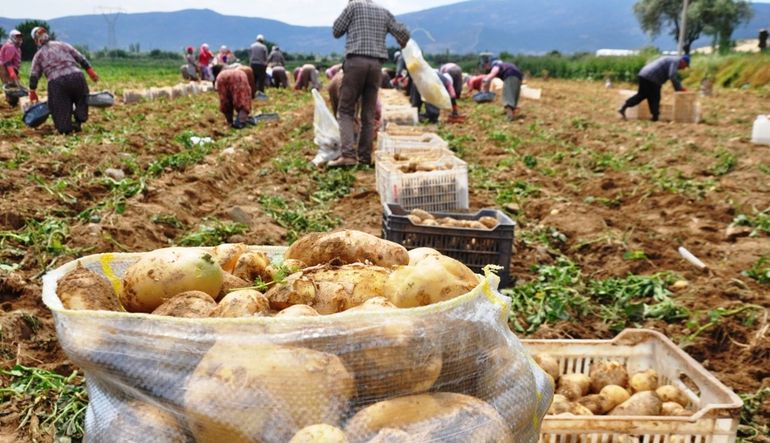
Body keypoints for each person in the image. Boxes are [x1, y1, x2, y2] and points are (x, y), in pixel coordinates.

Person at [330, 0, 410, 167]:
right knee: (368, 113)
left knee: (345, 111)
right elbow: (403, 34)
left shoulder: (354, 6)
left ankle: (348, 155)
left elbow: (336, 31)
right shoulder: (383, 11)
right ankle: (365, 157)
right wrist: (403, 43)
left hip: (355, 62)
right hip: (376, 66)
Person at [28, 27, 99, 134]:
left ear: (35, 40)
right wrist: (91, 72)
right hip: (77, 76)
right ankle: (78, 121)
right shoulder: (63, 45)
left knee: (59, 106)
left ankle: (65, 127)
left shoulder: (38, 55)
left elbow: (34, 75)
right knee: (81, 98)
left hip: (57, 83)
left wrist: (32, 91)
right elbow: (80, 58)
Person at [618, 54, 690, 122]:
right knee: (655, 97)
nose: (683, 68)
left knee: (643, 95)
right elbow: (672, 76)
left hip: (644, 74)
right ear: (683, 62)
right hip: (652, 77)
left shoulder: (671, 59)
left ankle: (624, 107)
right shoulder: (675, 61)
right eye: (685, 66)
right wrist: (679, 89)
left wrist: (678, 88)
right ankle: (655, 117)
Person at [481, 56, 523, 121]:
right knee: (513, 95)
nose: (485, 67)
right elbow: (490, 80)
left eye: (485, 66)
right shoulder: (505, 64)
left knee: (507, 95)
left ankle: (509, 116)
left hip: (510, 74)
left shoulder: (496, 65)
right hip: (519, 75)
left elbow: (492, 74)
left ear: (489, 63)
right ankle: (511, 112)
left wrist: (485, 80)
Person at [212, 64, 254, 129]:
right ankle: (240, 121)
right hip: (238, 76)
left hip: (221, 76)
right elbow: (251, 86)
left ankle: (229, 122)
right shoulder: (245, 71)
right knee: (243, 101)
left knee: (226, 101)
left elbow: (217, 90)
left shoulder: (222, 72)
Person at [0, 29, 23, 107]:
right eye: (17, 37)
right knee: (10, 85)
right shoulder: (10, 46)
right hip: (5, 68)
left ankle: (12, 103)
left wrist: (16, 72)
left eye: (20, 37)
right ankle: (12, 104)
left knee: (13, 85)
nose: (19, 39)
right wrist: (11, 72)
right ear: (12, 37)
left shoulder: (16, 46)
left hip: (11, 68)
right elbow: (7, 61)